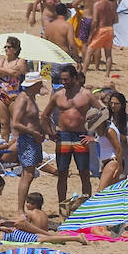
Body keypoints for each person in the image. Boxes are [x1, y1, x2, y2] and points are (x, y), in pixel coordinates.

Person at [43, 65, 93, 207]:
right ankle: (62, 206)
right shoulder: (58, 95)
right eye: (62, 79)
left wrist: (92, 135)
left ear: (75, 78)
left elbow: (102, 112)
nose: (64, 82)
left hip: (81, 136)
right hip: (63, 135)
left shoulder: (86, 94)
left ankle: (87, 206)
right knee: (62, 173)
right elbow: (45, 115)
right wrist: (50, 133)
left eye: (66, 79)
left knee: (84, 173)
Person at [11, 75, 45, 214]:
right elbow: (16, 123)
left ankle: (22, 207)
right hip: (27, 139)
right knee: (28, 174)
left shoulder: (31, 98)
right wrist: (33, 132)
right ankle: (20, 208)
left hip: (33, 139)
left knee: (29, 173)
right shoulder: (23, 98)